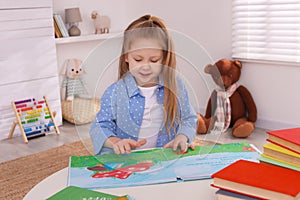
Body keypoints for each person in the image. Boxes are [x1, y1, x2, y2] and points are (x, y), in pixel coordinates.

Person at [90, 14, 197, 155]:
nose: (145, 67)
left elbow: (189, 118)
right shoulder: (116, 91)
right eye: (138, 59)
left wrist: (182, 137)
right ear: (126, 57)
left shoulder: (176, 85)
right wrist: (115, 142)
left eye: (154, 60)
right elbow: (99, 125)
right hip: (125, 160)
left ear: (164, 59)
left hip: (164, 157)